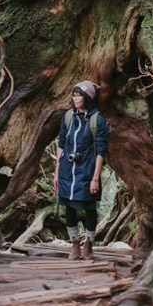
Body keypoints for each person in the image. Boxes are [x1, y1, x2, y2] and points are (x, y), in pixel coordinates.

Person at [53, 80, 107, 260]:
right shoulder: (69, 116)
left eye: (78, 95)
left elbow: (101, 150)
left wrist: (95, 178)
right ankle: (75, 244)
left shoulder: (96, 119)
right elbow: (61, 143)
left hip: (87, 171)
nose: (74, 98)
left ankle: (89, 245)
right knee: (68, 207)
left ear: (87, 98)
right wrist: (57, 172)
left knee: (90, 208)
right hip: (67, 171)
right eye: (74, 95)